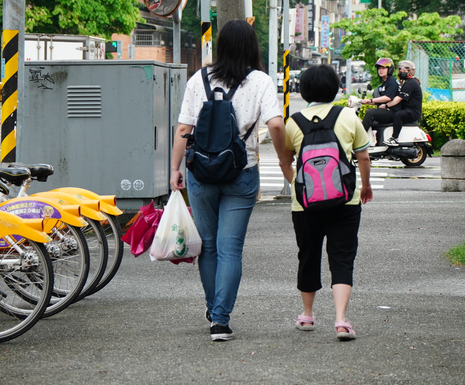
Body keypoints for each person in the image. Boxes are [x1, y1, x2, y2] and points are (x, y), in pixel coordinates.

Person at [170, 20, 288, 342]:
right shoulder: (260, 81)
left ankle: (213, 310)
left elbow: (183, 129)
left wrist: (174, 169)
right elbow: (276, 125)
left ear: (221, 46)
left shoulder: (200, 79)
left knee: (207, 247)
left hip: (201, 173)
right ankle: (220, 320)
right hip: (241, 171)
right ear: (253, 46)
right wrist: (283, 158)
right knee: (230, 248)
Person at [281, 64, 372, 340]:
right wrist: (365, 186)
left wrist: (300, 186)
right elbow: (364, 157)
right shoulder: (348, 116)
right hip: (344, 201)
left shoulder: (293, 121)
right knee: (342, 257)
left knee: (308, 255)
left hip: (305, 205)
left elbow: (286, 161)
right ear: (335, 89)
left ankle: (307, 316)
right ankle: (342, 320)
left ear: (304, 89)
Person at [360, 58, 400, 144]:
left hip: (392, 111)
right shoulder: (385, 83)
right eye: (379, 68)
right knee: (372, 123)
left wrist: (371, 99)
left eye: (383, 68)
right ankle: (375, 143)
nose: (380, 70)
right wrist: (366, 101)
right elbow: (380, 100)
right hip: (386, 110)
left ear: (390, 69)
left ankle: (359, 138)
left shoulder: (392, 81)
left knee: (370, 113)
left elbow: (388, 98)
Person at [382, 60, 422, 146]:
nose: (401, 72)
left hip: (413, 111)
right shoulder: (407, 82)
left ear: (410, 71)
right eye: (400, 70)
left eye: (404, 70)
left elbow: (398, 99)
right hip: (409, 110)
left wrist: (386, 105)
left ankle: (395, 138)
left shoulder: (411, 83)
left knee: (398, 115)